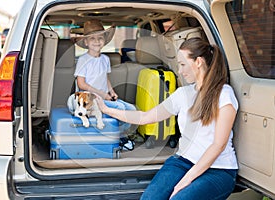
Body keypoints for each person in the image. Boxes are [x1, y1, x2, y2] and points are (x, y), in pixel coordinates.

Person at [96, 37, 239, 200]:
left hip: (218, 170)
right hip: (184, 161)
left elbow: (218, 145)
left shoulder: (224, 95)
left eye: (183, 64)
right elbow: (145, 117)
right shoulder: (183, 94)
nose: (180, 70)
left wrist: (186, 180)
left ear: (198, 62)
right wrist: (107, 109)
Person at [72, 19, 136, 145]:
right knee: (121, 108)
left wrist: (112, 92)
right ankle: (117, 138)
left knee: (131, 109)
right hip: (89, 100)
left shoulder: (105, 59)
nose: (97, 41)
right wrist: (102, 94)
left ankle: (120, 134)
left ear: (104, 41)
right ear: (85, 42)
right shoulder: (83, 60)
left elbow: (105, 78)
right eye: (92, 38)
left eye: (100, 38)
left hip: (104, 97)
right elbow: (81, 84)